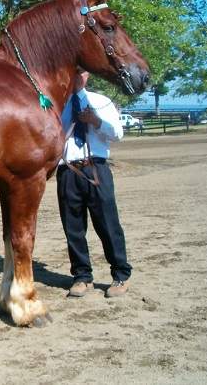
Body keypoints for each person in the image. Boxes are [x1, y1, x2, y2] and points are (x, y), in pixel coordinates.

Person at [57, 69, 132, 298]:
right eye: (75, 71)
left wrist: (95, 121)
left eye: (82, 72)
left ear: (88, 75)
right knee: (73, 228)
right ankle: (82, 276)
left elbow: (117, 133)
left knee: (108, 224)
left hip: (96, 168)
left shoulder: (101, 101)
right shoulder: (58, 105)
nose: (79, 75)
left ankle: (120, 274)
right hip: (68, 170)